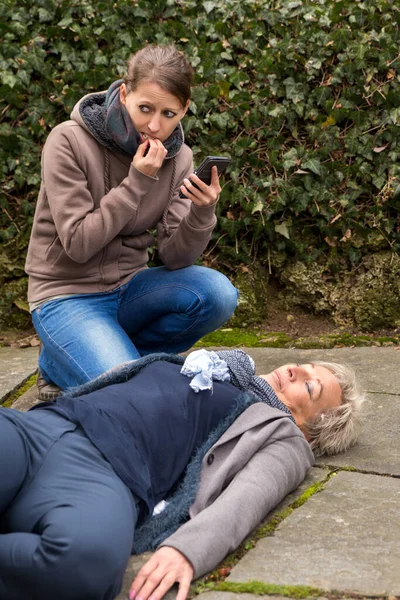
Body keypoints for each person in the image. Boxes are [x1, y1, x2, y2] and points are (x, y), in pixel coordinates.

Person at [0, 349, 365, 600]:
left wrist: (188, 550)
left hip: (104, 477)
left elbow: (253, 493)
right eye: (306, 366)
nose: (295, 369)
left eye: (309, 386)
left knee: (84, 565)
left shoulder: (282, 435)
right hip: (42, 427)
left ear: (306, 429)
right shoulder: (218, 365)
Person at [24, 45, 238, 399]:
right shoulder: (68, 140)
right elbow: (77, 243)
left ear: (184, 109)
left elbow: (174, 258)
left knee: (218, 294)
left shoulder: (179, 158)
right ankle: (64, 359)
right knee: (134, 395)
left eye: (169, 113)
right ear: (124, 94)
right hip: (65, 296)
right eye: (144, 108)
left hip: (129, 290)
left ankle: (88, 361)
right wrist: (137, 181)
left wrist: (202, 212)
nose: (155, 125)